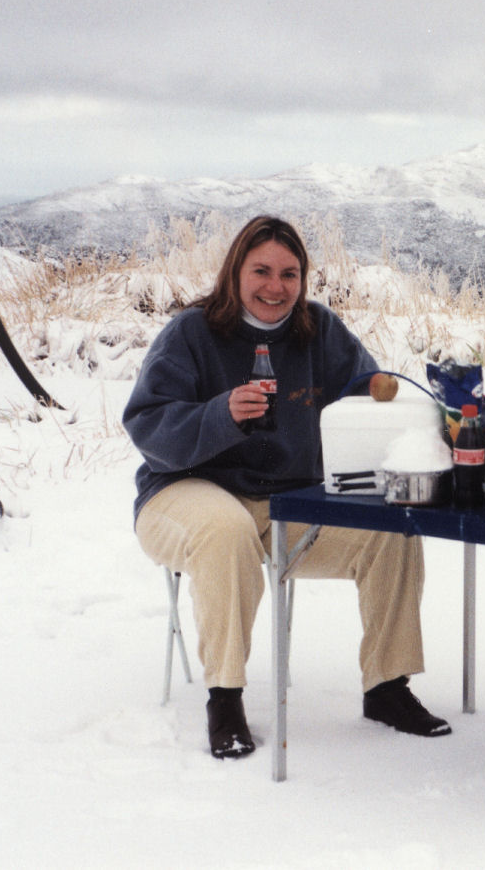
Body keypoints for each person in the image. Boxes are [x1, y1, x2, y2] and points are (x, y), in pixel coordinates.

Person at [124, 215, 451, 760]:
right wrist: (218, 414)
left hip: (287, 501)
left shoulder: (319, 331)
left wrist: (384, 396)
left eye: (289, 274)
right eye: (261, 271)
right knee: (225, 530)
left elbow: (363, 396)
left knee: (390, 530)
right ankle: (224, 698)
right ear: (235, 273)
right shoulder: (192, 332)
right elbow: (147, 426)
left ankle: (387, 688)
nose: (275, 287)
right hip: (182, 491)